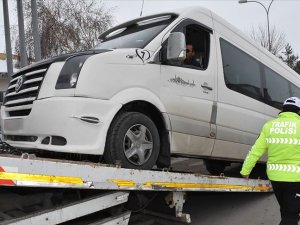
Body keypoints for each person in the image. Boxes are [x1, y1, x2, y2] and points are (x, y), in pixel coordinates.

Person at [240, 96, 300, 225]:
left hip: (275, 177)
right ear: (298, 111)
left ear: (283, 110)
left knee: (286, 210)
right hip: (295, 179)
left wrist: (245, 170)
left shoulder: (269, 126)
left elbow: (255, 150)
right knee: (291, 215)